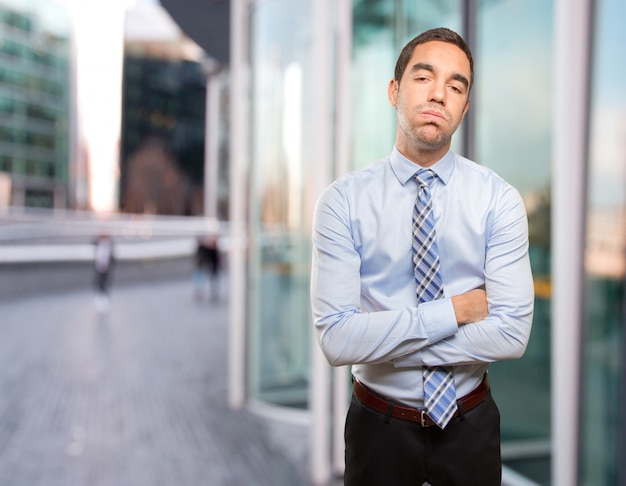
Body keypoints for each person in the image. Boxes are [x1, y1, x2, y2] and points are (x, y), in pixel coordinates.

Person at [310, 27, 534, 485]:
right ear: (394, 90)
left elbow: (511, 333)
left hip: (471, 426)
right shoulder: (343, 202)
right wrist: (456, 311)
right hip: (378, 428)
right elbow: (336, 340)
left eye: (456, 86)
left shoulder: (499, 200)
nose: (439, 94)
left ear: (465, 108)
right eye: (424, 77)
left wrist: (382, 340)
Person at [93, 233, 114, 312]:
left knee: (105, 283)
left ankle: (105, 300)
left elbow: (112, 257)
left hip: (107, 269)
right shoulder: (98, 244)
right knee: (99, 283)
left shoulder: (109, 245)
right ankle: (101, 299)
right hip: (99, 268)